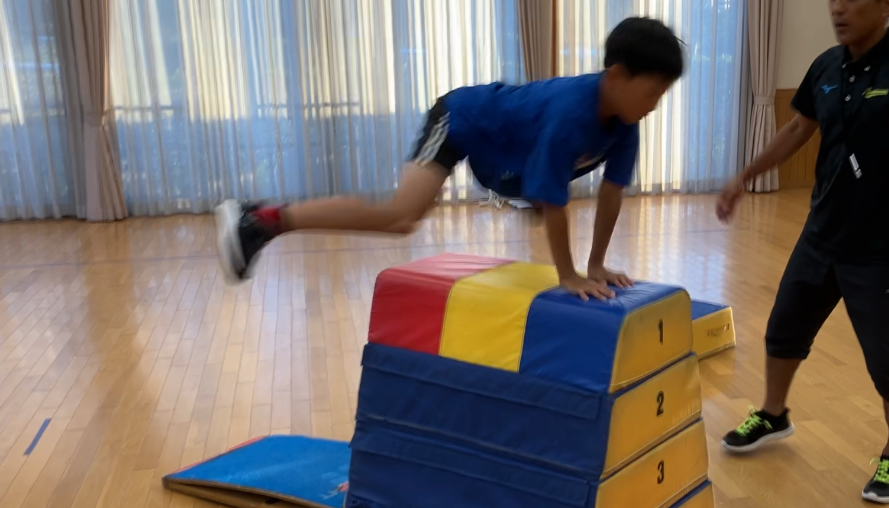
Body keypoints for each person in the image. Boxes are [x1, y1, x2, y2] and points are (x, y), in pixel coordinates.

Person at [213, 17, 684, 301]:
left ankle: (264, 221)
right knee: (402, 216)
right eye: (651, 92)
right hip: (462, 118)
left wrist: (597, 264)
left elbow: (612, 193)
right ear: (616, 76)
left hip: (509, 155)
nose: (655, 104)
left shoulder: (626, 123)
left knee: (536, 200)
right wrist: (568, 275)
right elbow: (558, 203)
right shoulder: (572, 114)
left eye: (662, 95)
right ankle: (262, 220)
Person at [715, 0, 889, 505]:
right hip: (820, 235)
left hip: (881, 250)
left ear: (888, 5)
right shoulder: (826, 66)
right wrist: (746, 174)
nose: (838, 9)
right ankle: (774, 414)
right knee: (784, 328)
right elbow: (797, 129)